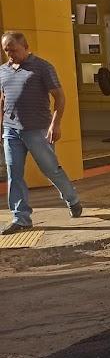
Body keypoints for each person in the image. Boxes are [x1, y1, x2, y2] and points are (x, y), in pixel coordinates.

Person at [0, 31, 83, 235]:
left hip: (38, 130)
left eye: (13, 50)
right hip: (11, 131)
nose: (10, 54)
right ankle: (21, 218)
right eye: (6, 50)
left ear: (25, 47)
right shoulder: (3, 70)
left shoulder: (43, 68)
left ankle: (72, 198)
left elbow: (60, 97)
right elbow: (3, 99)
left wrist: (55, 125)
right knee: (14, 173)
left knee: (50, 170)